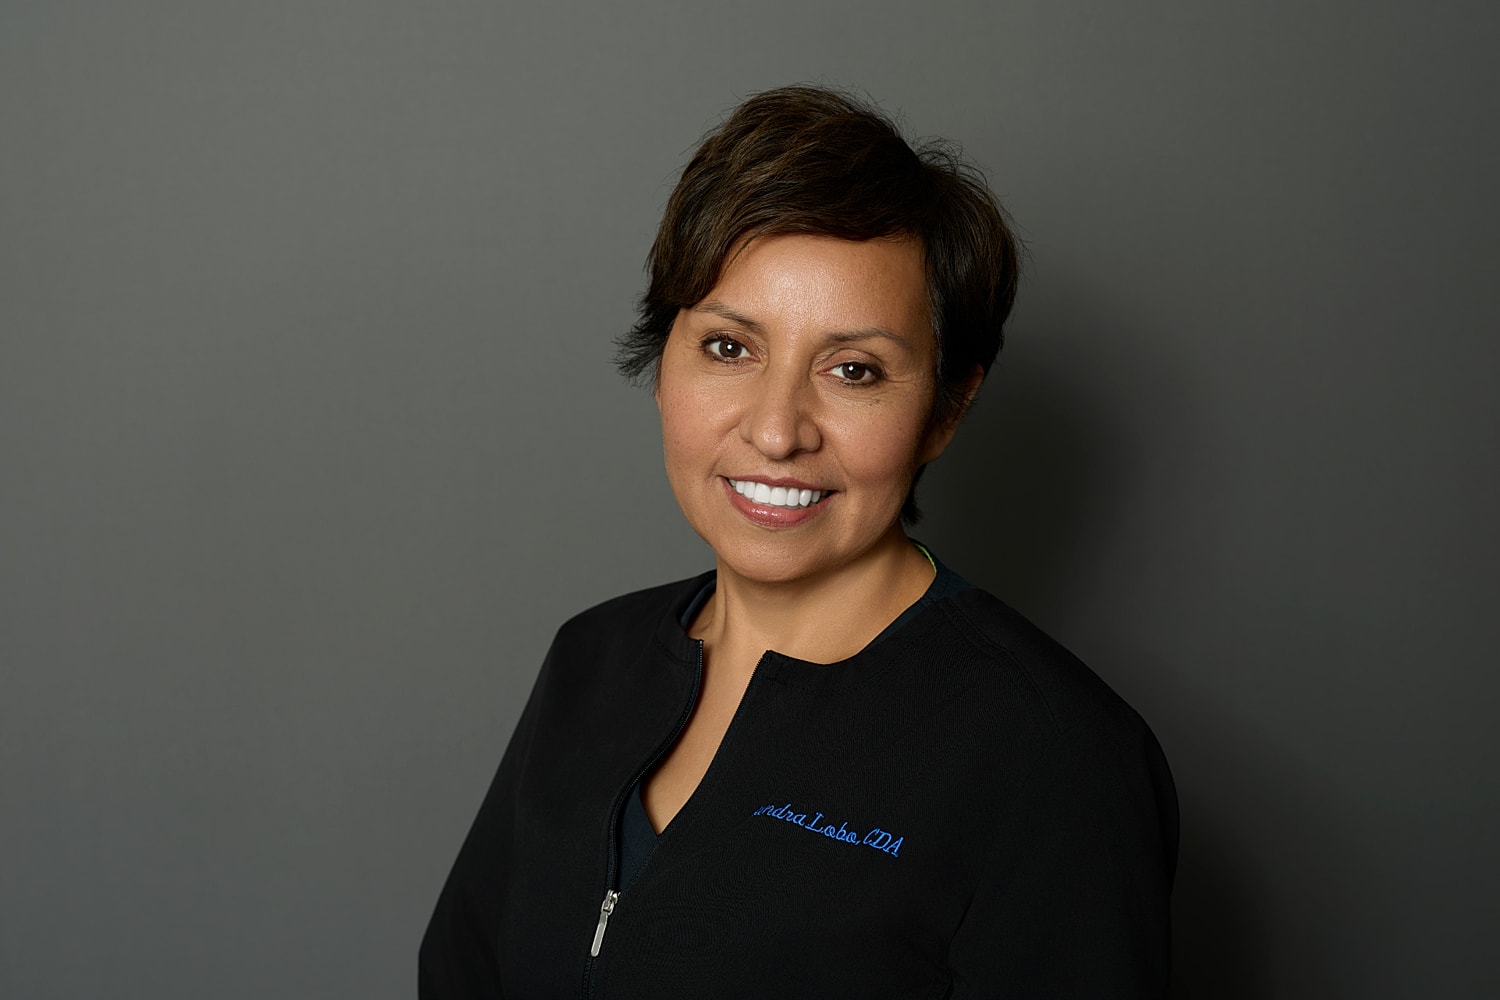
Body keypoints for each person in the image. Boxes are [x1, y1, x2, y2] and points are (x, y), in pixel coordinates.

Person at [419, 85, 1177, 998]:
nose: (777, 430)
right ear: (665, 361)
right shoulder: (592, 660)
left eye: (853, 370)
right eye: (730, 349)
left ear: (946, 408)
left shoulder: (1055, 757)